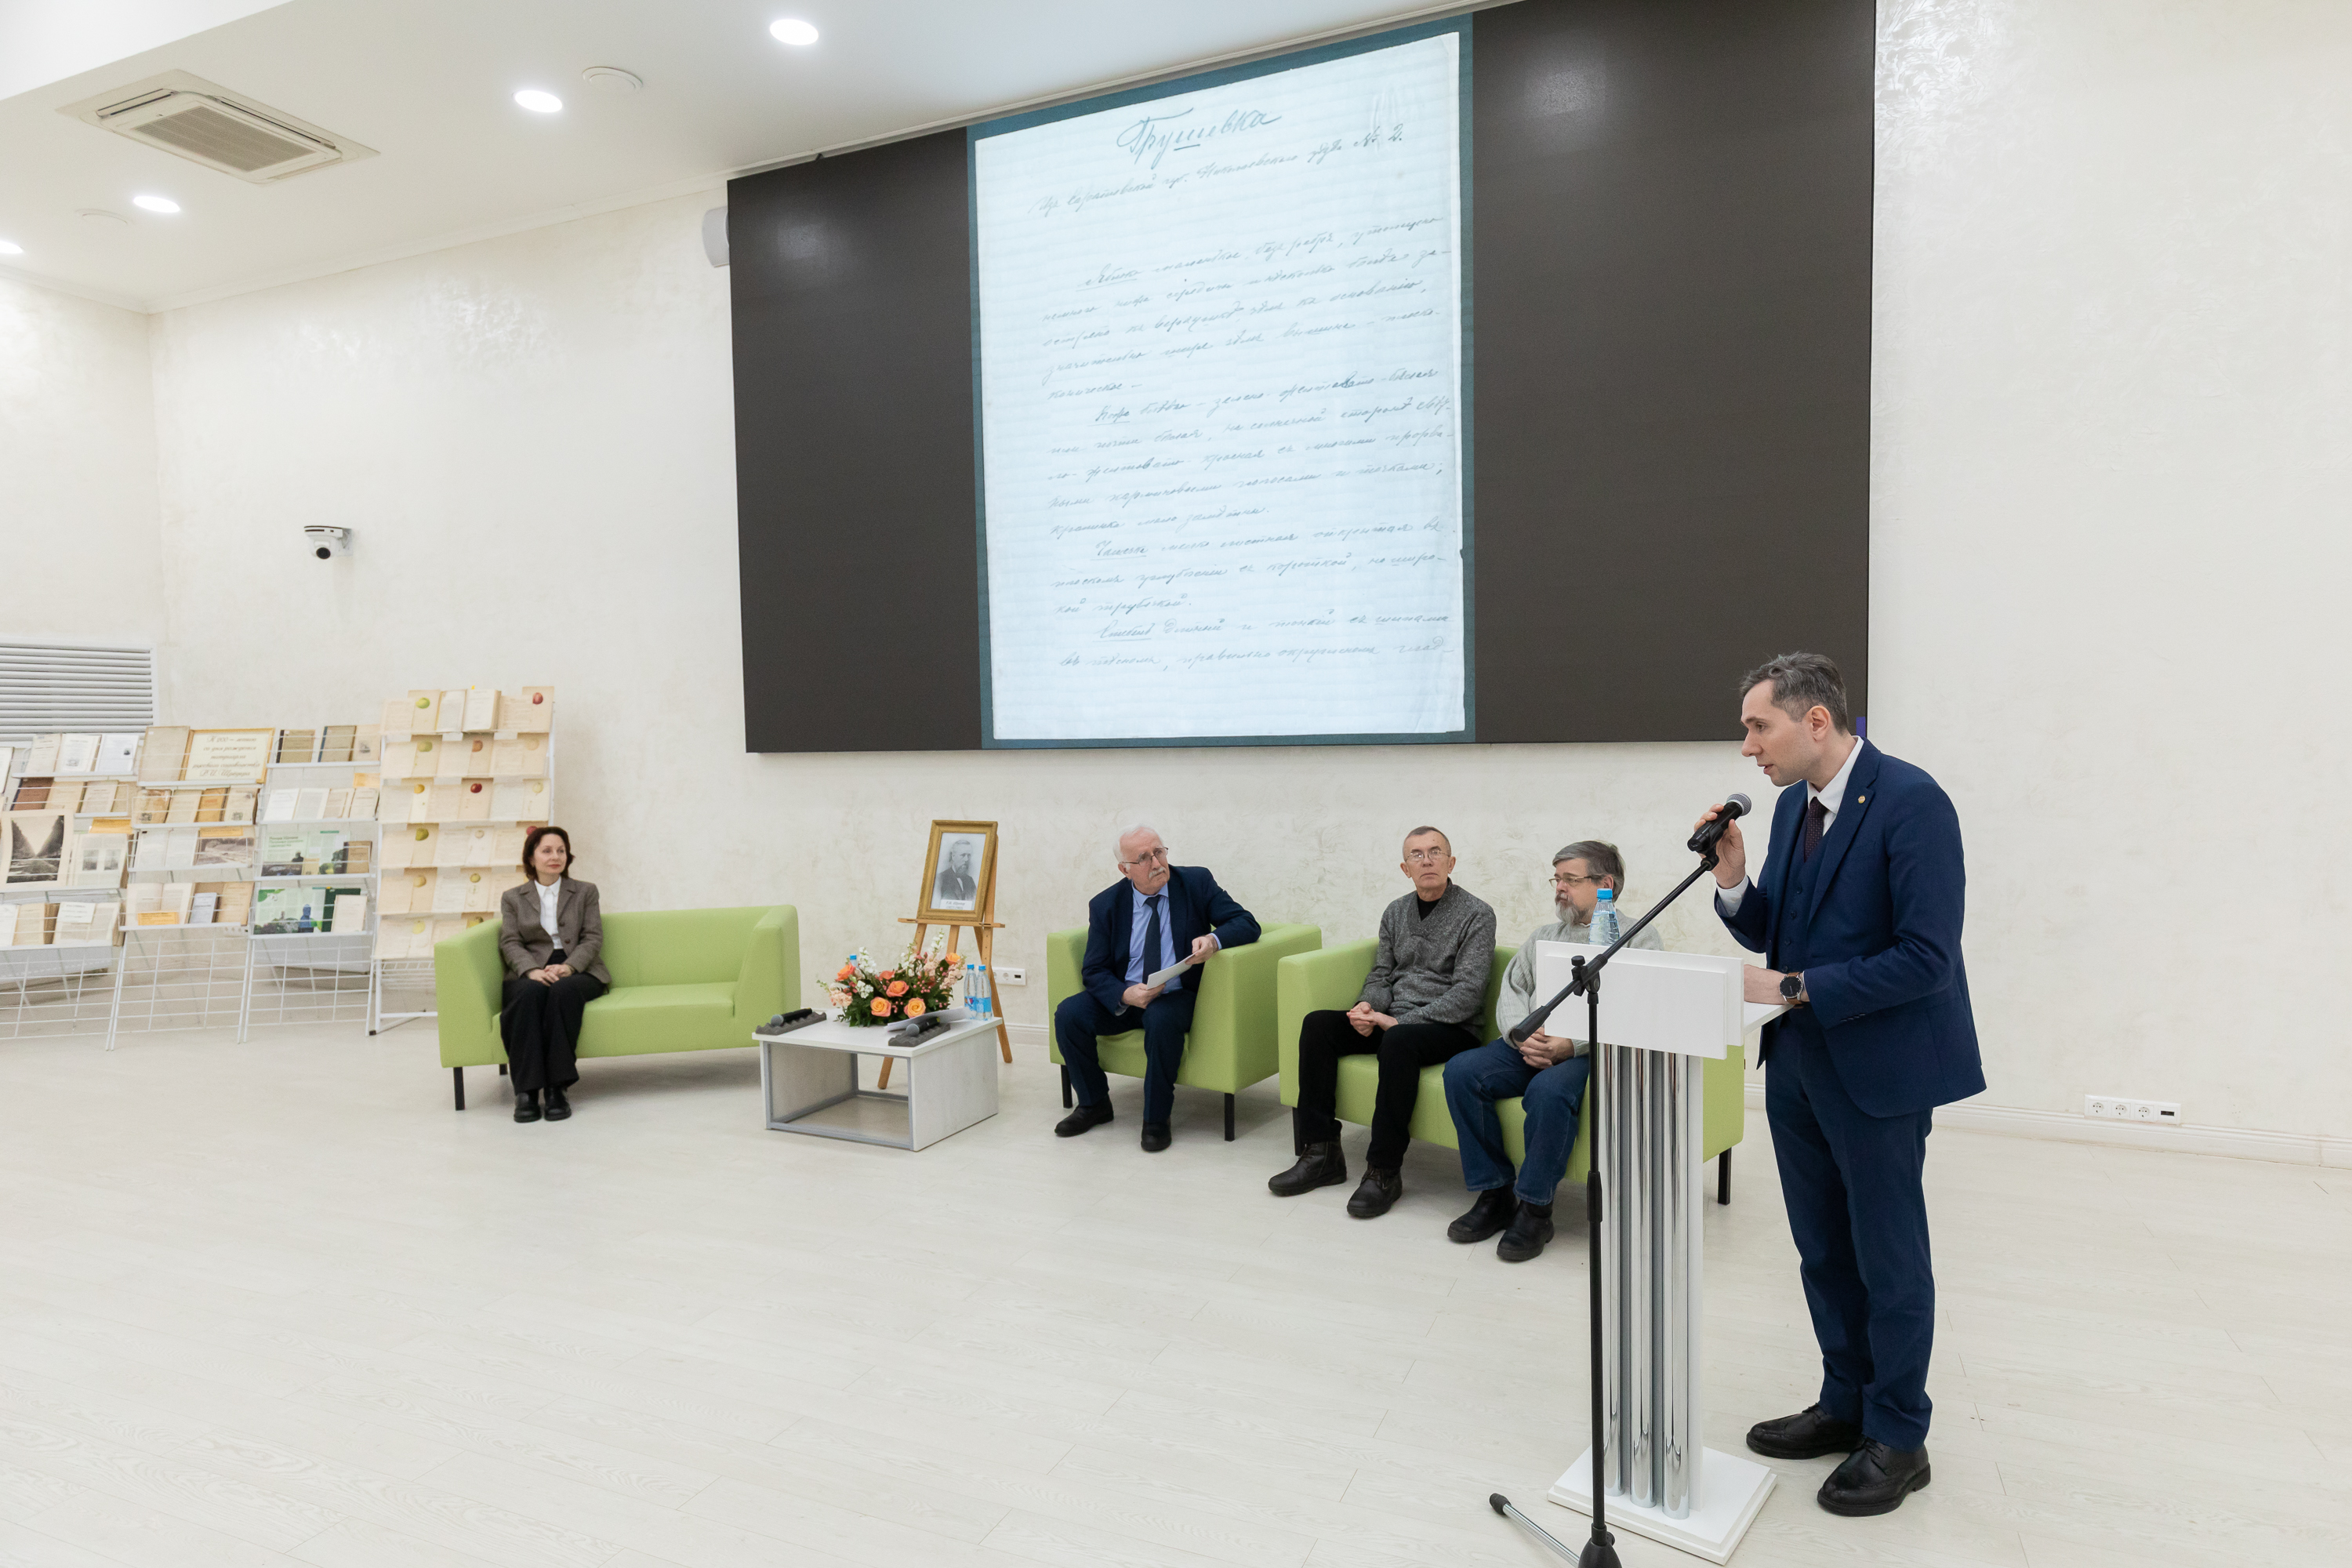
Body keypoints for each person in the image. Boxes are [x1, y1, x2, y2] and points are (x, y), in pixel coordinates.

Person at [1697, 652, 1981, 1518]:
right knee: (1822, 1249)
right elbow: (1780, 932)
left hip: (1880, 1072)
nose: (1748, 746)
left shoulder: (1913, 800)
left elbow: (1927, 958)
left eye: (1759, 726)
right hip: (1799, 1065)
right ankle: (1845, 1401)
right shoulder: (1794, 805)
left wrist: (1793, 986)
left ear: (1816, 720)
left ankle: (1898, 1433)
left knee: (1887, 1258)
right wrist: (1734, 877)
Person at [1440, 840, 1661, 1263]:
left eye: (1570, 880)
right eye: (1556, 879)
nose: (1559, 888)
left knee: (1548, 1092)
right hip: (1530, 1042)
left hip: (1589, 1053)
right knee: (1462, 1072)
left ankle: (1536, 1210)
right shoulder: (1544, 936)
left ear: (1605, 884)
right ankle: (1494, 1193)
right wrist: (1520, 1034)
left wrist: (1570, 1045)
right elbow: (1513, 988)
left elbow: (1636, 1010)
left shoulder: (1639, 938)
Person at [1269, 827, 1496, 1218]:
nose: (1427, 860)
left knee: (1399, 1041)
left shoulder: (1477, 913)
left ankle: (1383, 1171)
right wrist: (1366, 1008)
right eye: (1417, 855)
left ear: (1451, 862)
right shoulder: (1395, 911)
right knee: (1319, 1025)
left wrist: (1400, 1022)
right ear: (1405, 868)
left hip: (1451, 1029)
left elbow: (1468, 994)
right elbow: (1381, 974)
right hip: (1394, 1020)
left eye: (1435, 852)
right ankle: (1321, 1153)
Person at [1054, 825, 1260, 1152]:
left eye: (1159, 852)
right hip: (1128, 996)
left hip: (1177, 994)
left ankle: (1156, 1119)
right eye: (1143, 858)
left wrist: (1213, 939)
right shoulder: (1106, 904)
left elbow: (1247, 923)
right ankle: (1094, 1104)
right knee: (1069, 1014)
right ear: (1125, 870)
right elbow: (1093, 970)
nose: (1156, 863)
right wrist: (1125, 995)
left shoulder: (1195, 883)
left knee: (1161, 1019)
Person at [496, 825, 611, 1124]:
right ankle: (526, 1091)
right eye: (546, 851)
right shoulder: (512, 897)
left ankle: (557, 1088)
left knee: (563, 991)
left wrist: (570, 967)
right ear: (531, 858)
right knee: (527, 995)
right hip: (531, 965)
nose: (555, 857)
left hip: (578, 966)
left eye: (561, 851)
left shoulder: (585, 891)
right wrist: (530, 970)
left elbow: (593, 938)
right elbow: (510, 941)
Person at [934, 840, 978, 906]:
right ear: (953, 856)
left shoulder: (970, 880)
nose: (966, 859)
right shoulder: (940, 879)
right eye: (963, 855)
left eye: (969, 855)